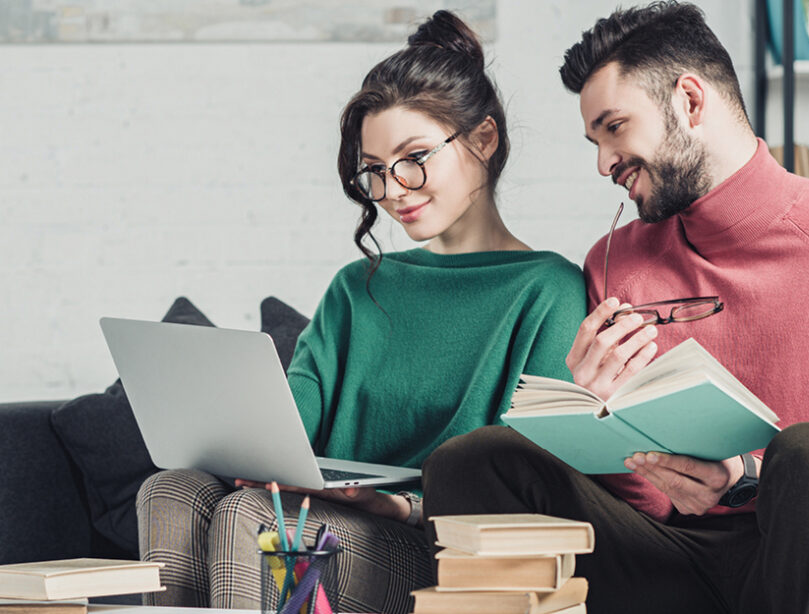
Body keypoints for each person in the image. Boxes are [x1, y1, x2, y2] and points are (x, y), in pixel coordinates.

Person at [421, 3, 809, 613]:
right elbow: (646, 508)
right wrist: (605, 417)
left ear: (690, 102)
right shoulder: (615, 260)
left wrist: (745, 476)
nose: (604, 163)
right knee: (475, 461)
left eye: (615, 127)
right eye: (594, 141)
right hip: (686, 560)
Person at [135, 11, 585, 612]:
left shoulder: (549, 290)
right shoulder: (355, 289)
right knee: (171, 489)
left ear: (483, 138)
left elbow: (534, 480)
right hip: (326, 522)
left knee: (253, 518)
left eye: (413, 156)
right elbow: (288, 426)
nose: (394, 189)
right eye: (373, 170)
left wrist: (402, 505)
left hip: (437, 548)